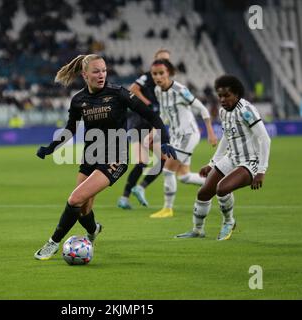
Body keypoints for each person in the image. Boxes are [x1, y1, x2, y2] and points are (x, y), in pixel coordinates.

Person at [33, 54, 176, 260]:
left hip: (115, 157)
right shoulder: (78, 100)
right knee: (83, 209)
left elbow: (152, 115)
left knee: (75, 199)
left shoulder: (119, 93)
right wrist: (51, 148)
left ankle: (53, 243)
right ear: (85, 74)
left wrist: (164, 139)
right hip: (90, 156)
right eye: (96, 71)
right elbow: (70, 129)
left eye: (104, 70)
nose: (101, 75)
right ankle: (93, 231)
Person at [175, 75, 271, 240]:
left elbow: (264, 139)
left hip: (250, 162)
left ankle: (229, 222)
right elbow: (226, 138)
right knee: (203, 193)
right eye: (220, 95)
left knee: (222, 188)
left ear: (237, 94)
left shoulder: (246, 111)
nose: (222, 99)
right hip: (232, 158)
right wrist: (212, 163)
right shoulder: (223, 112)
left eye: (227, 95)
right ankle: (198, 231)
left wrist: (261, 170)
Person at [142, 59, 217, 218]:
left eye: (161, 73)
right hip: (176, 137)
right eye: (154, 74)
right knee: (184, 176)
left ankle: (167, 209)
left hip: (188, 135)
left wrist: (210, 132)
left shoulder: (180, 90)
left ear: (168, 73)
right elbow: (163, 115)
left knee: (168, 170)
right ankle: (217, 184)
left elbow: (202, 109)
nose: (158, 77)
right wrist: (153, 132)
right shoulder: (157, 90)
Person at [117, 49, 171, 210]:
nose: (164, 62)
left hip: (151, 123)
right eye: (161, 59)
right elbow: (133, 89)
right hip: (137, 121)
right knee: (142, 161)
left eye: (167, 60)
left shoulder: (166, 82)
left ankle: (138, 189)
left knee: (162, 159)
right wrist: (147, 104)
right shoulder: (148, 76)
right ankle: (125, 197)